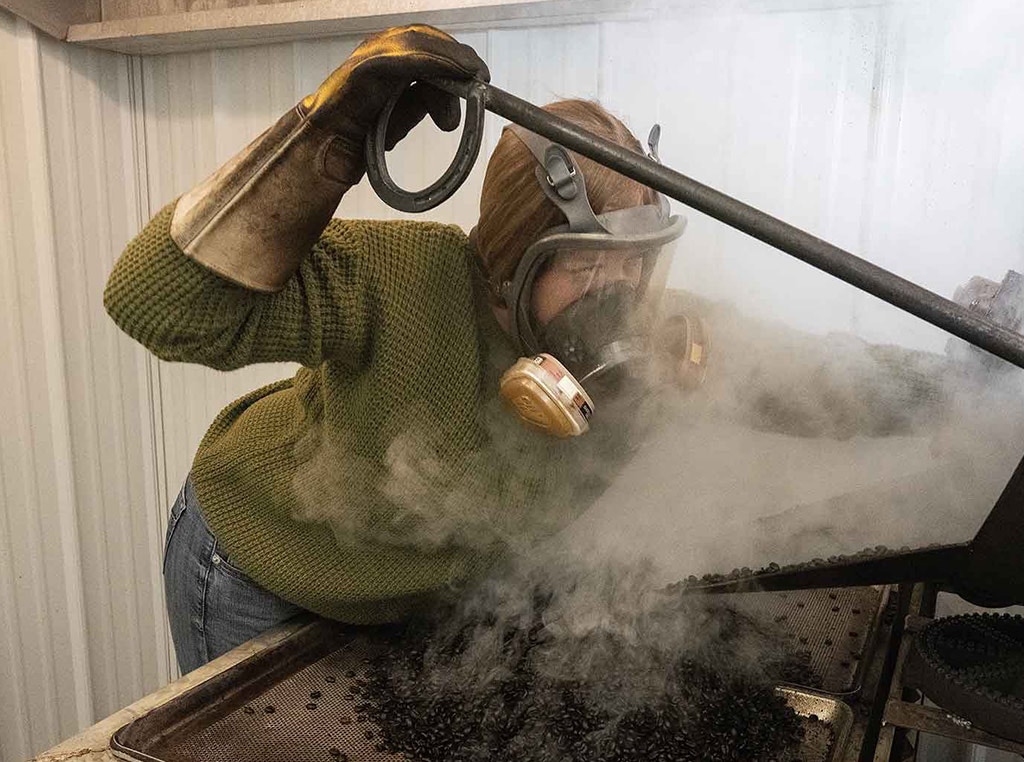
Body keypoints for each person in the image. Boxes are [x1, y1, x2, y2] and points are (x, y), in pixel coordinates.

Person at [103, 25, 690, 674]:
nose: (617, 292)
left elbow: (796, 381)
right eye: (584, 267)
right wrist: (322, 138)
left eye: (634, 264)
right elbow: (153, 303)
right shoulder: (401, 277)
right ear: (515, 251)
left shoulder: (649, 343)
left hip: (393, 591)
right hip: (258, 559)